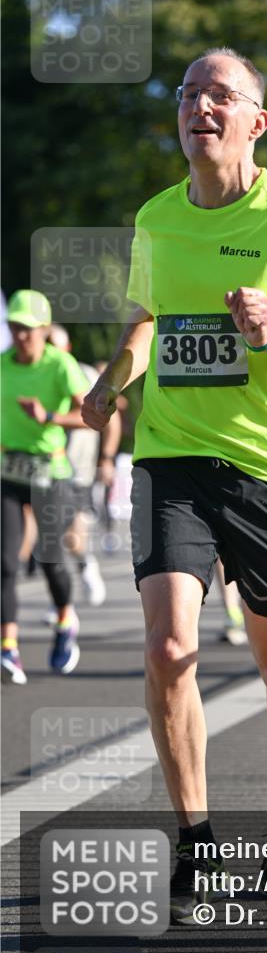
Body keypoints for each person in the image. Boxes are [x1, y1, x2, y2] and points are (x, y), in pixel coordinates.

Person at [82, 47, 267, 922]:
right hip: (170, 456)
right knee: (170, 649)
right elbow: (146, 320)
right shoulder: (156, 218)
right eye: (187, 94)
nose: (198, 106)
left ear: (256, 120)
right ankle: (196, 837)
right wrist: (112, 378)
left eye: (220, 95)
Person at [1, 291, 88, 684]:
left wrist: (49, 416)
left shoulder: (60, 365)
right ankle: (8, 648)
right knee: (5, 562)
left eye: (28, 330)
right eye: (15, 327)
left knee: (51, 557)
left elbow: (91, 414)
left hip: (50, 472)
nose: (21, 336)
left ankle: (66, 621)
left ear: (44, 330)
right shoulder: (2, 366)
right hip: (8, 470)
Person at [47, 325, 122, 608]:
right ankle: (60, 608)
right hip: (41, 467)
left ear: (66, 349)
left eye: (53, 345)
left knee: (70, 537)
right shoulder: (35, 372)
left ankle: (84, 563)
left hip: (78, 469)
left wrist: (106, 458)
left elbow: (110, 423)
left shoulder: (86, 375)